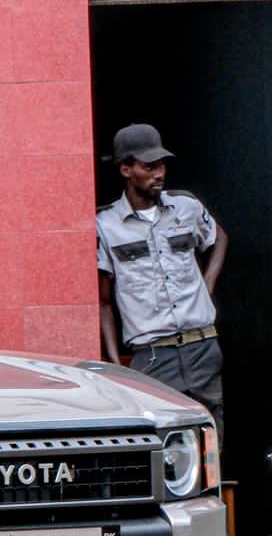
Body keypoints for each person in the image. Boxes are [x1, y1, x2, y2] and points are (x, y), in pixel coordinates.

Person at [95, 123, 227, 430]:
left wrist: (207, 286)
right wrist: (115, 363)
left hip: (201, 346)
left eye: (162, 165)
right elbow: (104, 302)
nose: (159, 174)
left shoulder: (186, 206)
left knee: (209, 430)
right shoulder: (106, 225)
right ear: (126, 169)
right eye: (149, 167)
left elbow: (219, 237)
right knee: (162, 435)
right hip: (152, 355)